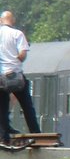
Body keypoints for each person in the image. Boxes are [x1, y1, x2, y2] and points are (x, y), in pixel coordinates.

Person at [0, 10, 40, 142]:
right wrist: (17, 56)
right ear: (13, 21)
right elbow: (22, 56)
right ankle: (35, 133)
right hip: (16, 76)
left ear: (1, 21)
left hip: (1, 77)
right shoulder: (18, 34)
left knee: (3, 106)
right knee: (27, 106)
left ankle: (4, 134)